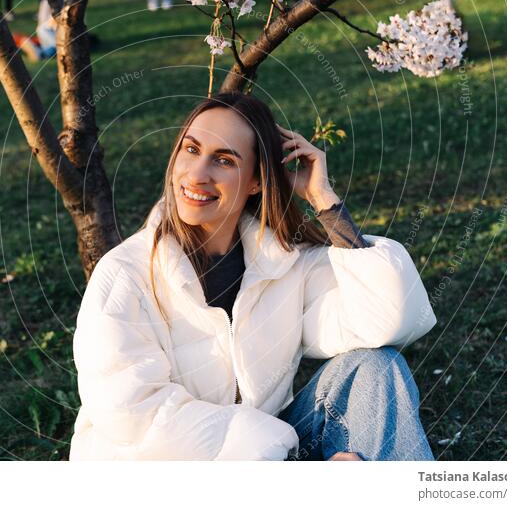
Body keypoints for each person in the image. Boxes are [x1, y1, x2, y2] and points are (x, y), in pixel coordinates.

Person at [70, 92, 437, 461]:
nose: (197, 174)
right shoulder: (125, 274)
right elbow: (135, 417)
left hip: (263, 455)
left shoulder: (283, 263)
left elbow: (386, 321)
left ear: (256, 183)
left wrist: (323, 199)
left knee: (376, 367)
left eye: (224, 160)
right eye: (191, 150)